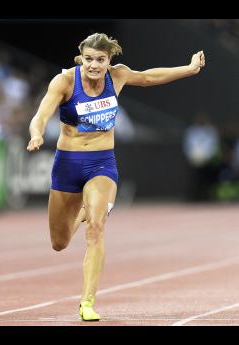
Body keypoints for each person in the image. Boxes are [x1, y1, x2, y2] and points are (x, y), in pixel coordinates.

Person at [27, 33, 205, 321]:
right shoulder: (65, 82)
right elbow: (41, 113)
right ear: (80, 58)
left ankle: (87, 301)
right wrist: (36, 133)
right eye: (88, 60)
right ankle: (83, 211)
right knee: (59, 243)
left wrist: (188, 69)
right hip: (68, 164)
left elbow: (148, 77)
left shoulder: (117, 77)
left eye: (100, 60)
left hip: (101, 163)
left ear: (109, 60)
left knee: (96, 228)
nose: (94, 66)